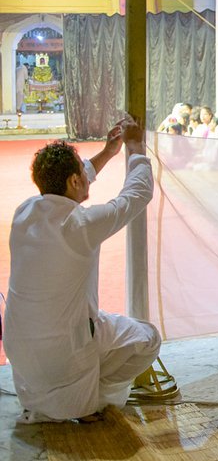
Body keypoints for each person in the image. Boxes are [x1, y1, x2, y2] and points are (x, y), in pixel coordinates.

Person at [3, 118, 161, 423]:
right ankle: (90, 402)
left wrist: (107, 152)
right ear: (75, 181)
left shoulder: (24, 212)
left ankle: (66, 399)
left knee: (91, 327)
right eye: (81, 174)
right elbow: (137, 195)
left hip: (20, 358)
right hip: (65, 356)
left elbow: (75, 177)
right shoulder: (80, 225)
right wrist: (135, 147)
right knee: (148, 338)